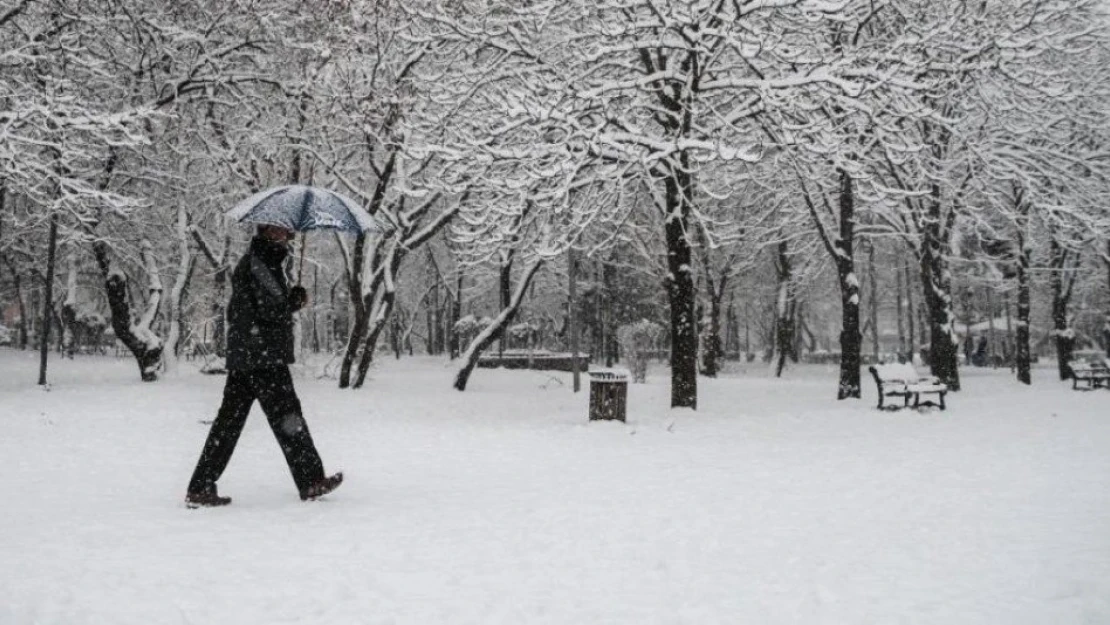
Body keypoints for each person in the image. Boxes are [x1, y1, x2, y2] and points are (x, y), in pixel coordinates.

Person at [185, 224, 342, 508]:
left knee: (229, 423)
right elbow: (265, 310)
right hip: (262, 357)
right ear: (269, 231)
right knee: (289, 418)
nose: (288, 235)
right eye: (283, 231)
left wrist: (287, 299)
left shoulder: (262, 262)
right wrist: (293, 301)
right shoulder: (258, 265)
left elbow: (259, 307)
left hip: (249, 355)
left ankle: (200, 486)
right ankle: (311, 481)